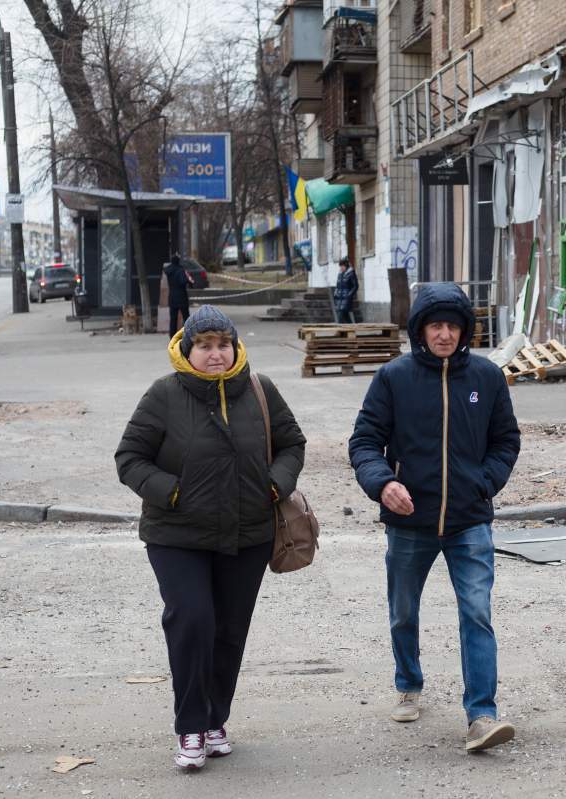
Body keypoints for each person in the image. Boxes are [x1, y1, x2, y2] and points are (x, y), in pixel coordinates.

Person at [115, 304, 306, 770]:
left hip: (248, 533)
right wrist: (174, 492)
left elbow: (292, 443)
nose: (215, 354)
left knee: (228, 631)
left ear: (235, 347)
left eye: (223, 344)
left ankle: (215, 718)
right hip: (176, 533)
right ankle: (190, 726)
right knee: (193, 621)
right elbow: (130, 457)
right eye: (205, 345)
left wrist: (275, 484)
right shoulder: (164, 394)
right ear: (187, 349)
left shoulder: (261, 390)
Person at [349, 282, 521, 752]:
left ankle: (482, 715)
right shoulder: (393, 378)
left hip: (470, 520)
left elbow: (506, 441)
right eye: (435, 325)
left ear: (465, 331)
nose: (444, 334)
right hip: (409, 524)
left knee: (477, 613)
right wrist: (383, 484)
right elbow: (364, 441)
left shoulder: (487, 379)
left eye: (452, 326)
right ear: (420, 330)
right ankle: (408, 680)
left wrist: (484, 482)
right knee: (403, 610)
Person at [164, 254, 192, 339]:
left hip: (172, 297)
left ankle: (172, 336)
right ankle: (188, 334)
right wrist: (188, 280)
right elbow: (182, 282)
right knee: (186, 317)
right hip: (181, 297)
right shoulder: (180, 270)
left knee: (173, 318)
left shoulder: (168, 271)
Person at [334, 256, 359, 323]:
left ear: (346, 265)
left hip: (346, 299)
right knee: (346, 317)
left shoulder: (351, 273)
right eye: (340, 266)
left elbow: (356, 286)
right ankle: (352, 330)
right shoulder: (340, 274)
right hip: (339, 298)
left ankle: (339, 332)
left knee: (340, 317)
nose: (341, 267)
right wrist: (336, 293)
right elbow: (337, 285)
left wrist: (349, 295)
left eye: (342, 266)